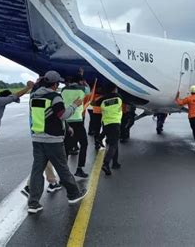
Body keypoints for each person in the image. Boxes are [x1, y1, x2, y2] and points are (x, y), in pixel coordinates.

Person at [27, 70, 87, 214]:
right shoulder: (55, 97)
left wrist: (67, 127)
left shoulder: (34, 96)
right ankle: (73, 194)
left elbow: (45, 115)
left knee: (37, 171)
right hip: (53, 140)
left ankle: (33, 203)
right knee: (63, 168)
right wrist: (74, 105)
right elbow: (62, 115)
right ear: (54, 84)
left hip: (37, 138)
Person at [62, 74, 90, 178]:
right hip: (77, 121)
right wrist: (84, 82)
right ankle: (79, 168)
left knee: (66, 147)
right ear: (80, 82)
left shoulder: (64, 90)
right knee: (84, 144)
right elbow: (89, 90)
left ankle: (64, 173)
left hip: (66, 121)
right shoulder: (82, 89)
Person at [98, 83, 123, 176]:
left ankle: (115, 163)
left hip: (106, 124)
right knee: (113, 145)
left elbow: (96, 103)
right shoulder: (118, 97)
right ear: (114, 89)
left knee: (114, 143)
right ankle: (106, 163)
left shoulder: (102, 100)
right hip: (115, 123)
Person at [176, 85, 195, 154]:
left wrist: (177, 97)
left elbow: (180, 103)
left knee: (194, 131)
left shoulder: (189, 98)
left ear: (191, 92)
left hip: (192, 117)